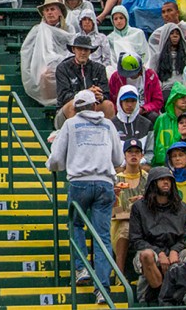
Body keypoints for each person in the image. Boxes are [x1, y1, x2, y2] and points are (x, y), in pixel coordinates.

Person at [47, 90, 122, 303]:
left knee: (76, 225)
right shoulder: (108, 125)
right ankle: (102, 289)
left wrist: (57, 164)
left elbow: (56, 160)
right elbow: (117, 158)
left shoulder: (70, 125)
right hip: (105, 182)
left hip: (79, 182)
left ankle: (82, 268)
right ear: (95, 106)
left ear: (76, 108)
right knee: (102, 236)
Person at [127, 166, 186, 302]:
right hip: (150, 249)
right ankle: (160, 293)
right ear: (152, 183)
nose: (166, 182)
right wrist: (159, 253)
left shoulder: (182, 208)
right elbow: (135, 239)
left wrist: (174, 250)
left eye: (168, 179)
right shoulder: (139, 207)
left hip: (176, 249)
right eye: (161, 179)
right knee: (147, 255)